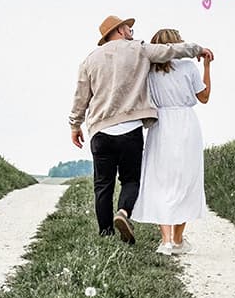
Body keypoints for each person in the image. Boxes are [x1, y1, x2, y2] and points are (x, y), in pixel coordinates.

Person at [69, 14, 213, 243]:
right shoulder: (138, 49)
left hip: (100, 129)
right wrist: (198, 49)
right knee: (130, 180)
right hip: (130, 129)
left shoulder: (90, 60)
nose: (131, 31)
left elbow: (81, 97)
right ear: (119, 31)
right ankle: (123, 212)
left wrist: (75, 125)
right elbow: (170, 51)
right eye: (128, 28)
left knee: (103, 184)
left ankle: (106, 234)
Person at [131, 28, 211, 255]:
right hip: (186, 124)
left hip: (160, 124)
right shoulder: (188, 67)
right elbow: (204, 97)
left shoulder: (148, 70)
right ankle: (178, 238)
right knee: (186, 180)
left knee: (160, 181)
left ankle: (166, 240)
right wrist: (207, 67)